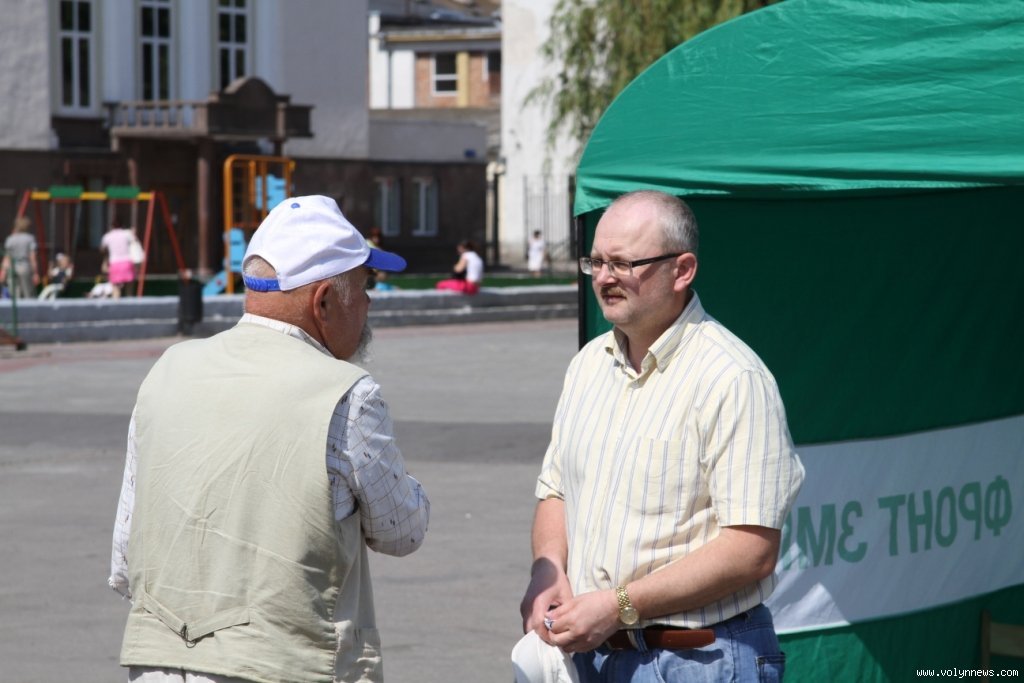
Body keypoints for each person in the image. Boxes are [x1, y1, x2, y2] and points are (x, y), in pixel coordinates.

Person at [108, 195, 430, 683]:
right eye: (365, 286)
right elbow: (401, 530)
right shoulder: (347, 394)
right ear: (323, 301)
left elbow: (125, 559)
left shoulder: (168, 369)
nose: (368, 304)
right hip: (282, 666)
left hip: (160, 664)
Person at [518, 190, 805, 682]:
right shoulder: (588, 365)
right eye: (596, 262)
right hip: (590, 656)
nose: (604, 278)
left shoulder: (733, 377)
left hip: (699, 660)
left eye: (623, 263)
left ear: (682, 270)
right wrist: (547, 571)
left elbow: (751, 550)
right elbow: (556, 490)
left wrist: (618, 605)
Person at [1, 216, 39, 299]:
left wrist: (3, 271)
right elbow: (32, 257)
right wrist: (35, 273)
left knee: (14, 295)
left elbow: (7, 257)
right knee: (28, 293)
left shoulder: (10, 239)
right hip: (25, 266)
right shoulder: (30, 239)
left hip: (12, 267)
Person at [100, 218, 137, 298]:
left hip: (115, 263)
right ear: (122, 225)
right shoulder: (127, 234)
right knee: (129, 287)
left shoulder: (108, 236)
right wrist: (133, 233)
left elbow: (102, 249)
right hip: (127, 262)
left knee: (116, 289)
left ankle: (115, 302)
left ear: (112, 226)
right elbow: (134, 242)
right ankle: (130, 300)